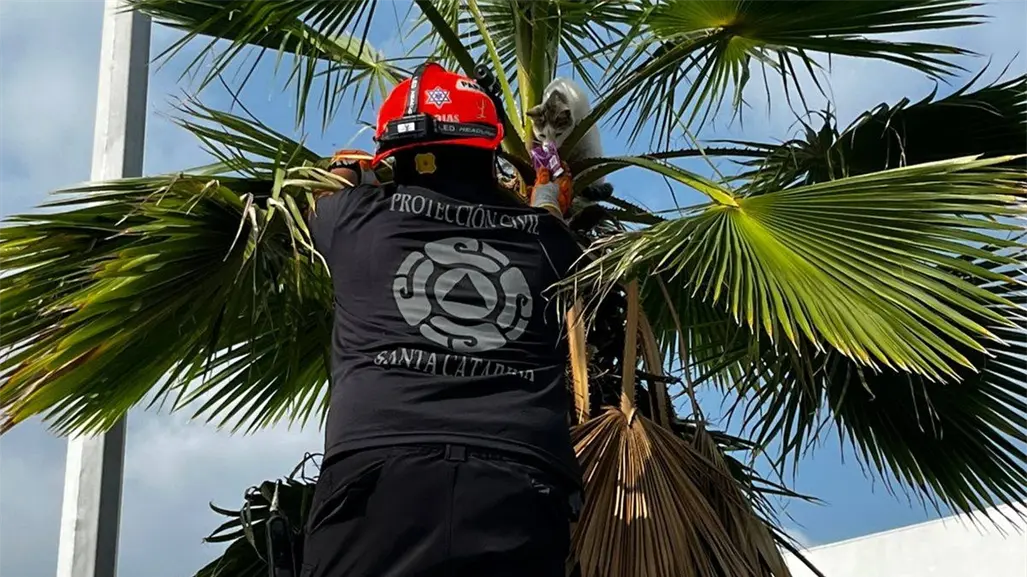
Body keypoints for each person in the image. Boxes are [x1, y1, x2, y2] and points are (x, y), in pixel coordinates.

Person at [301, 62, 583, 577]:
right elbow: (550, 207)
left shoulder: (351, 219)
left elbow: (325, 188)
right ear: (488, 151)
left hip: (377, 478)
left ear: (395, 155)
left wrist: (351, 169)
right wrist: (546, 180)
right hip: (516, 483)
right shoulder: (546, 241)